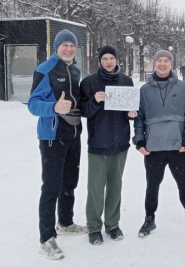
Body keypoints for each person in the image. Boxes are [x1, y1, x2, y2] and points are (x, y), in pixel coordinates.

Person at [28, 29, 87, 260]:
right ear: (56, 47)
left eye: (72, 45)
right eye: (65, 45)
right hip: (52, 137)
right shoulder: (45, 70)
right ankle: (47, 238)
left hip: (73, 134)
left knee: (70, 182)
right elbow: (33, 104)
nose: (69, 49)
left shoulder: (76, 69)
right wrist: (53, 107)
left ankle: (65, 222)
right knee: (52, 186)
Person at [132, 50, 185, 237]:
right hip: (153, 147)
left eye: (166, 61)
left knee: (184, 184)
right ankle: (149, 218)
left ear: (171, 64)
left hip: (179, 146)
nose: (162, 64)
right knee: (152, 185)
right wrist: (139, 140)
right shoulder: (144, 91)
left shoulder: (183, 88)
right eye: (159, 61)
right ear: (154, 64)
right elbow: (139, 118)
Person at [80, 45, 137, 245]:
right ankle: (94, 227)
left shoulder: (126, 81)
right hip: (97, 143)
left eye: (111, 58)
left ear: (116, 59)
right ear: (99, 61)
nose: (108, 62)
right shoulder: (89, 83)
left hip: (120, 143)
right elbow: (83, 112)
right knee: (95, 188)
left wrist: (131, 113)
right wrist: (95, 101)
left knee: (115, 186)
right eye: (104, 58)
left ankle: (112, 224)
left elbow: (129, 111)